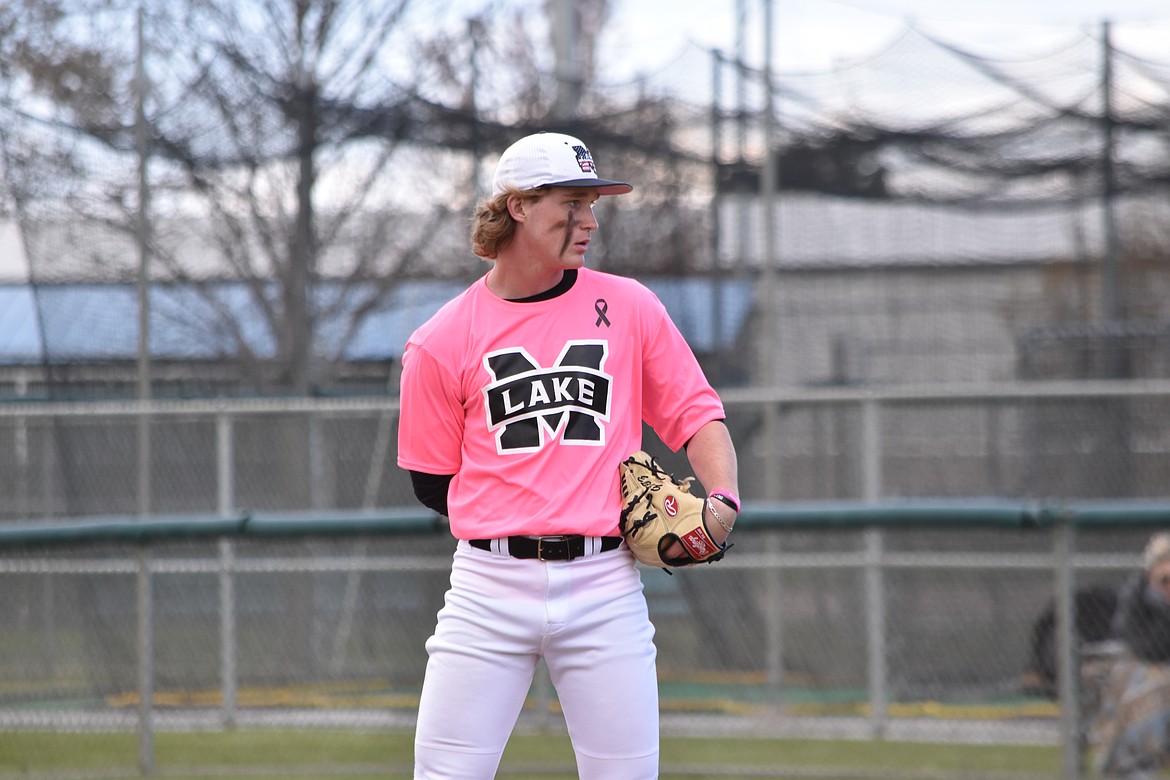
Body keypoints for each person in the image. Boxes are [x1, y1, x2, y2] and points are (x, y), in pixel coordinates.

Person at [396, 131, 740, 779]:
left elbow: (697, 414)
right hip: (488, 589)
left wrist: (723, 499)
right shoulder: (440, 341)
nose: (589, 220)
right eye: (572, 203)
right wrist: (526, 502)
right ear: (519, 206)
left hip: (605, 585)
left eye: (592, 203)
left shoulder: (630, 307)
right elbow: (430, 482)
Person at [1087, 533, 1170, 778]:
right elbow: (1146, 647)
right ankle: (1130, 765)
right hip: (1150, 675)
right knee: (1132, 681)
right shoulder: (1137, 597)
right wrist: (1164, 605)